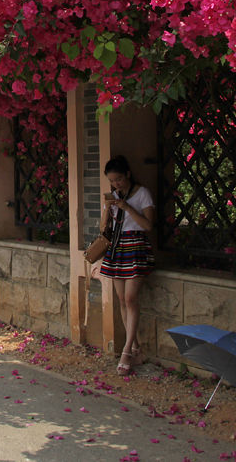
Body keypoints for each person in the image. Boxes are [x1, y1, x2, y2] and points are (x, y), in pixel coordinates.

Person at [97, 155, 156, 376]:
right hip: (118, 246)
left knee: (131, 298)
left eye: (119, 179)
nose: (116, 184)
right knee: (122, 299)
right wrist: (108, 208)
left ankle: (126, 351)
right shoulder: (114, 196)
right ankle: (135, 348)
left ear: (128, 174)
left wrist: (127, 207)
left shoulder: (142, 193)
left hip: (136, 246)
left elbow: (148, 225)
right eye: (112, 181)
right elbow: (104, 228)